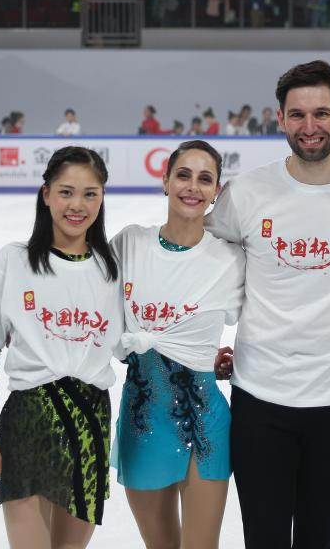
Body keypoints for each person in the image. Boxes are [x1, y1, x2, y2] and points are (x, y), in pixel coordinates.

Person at [205, 60, 330, 548]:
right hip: (258, 397)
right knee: (263, 539)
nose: (310, 126)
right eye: (297, 115)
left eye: (321, 113)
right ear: (280, 118)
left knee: (319, 539)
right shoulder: (245, 194)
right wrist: (194, 348)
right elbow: (198, 263)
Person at [0, 147, 122, 548]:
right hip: (28, 423)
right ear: (46, 194)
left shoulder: (114, 270)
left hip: (90, 423)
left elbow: (138, 341)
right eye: (66, 192)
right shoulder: (14, 261)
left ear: (102, 197)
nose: (77, 205)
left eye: (90, 194)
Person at [112, 140, 245, 549]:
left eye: (205, 179)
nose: (192, 186)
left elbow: (275, 313)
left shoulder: (231, 260)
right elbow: (89, 302)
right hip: (142, 417)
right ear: (165, 181)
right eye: (183, 175)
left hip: (207, 420)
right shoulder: (130, 244)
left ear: (216, 191)